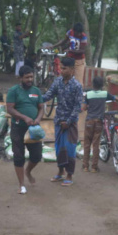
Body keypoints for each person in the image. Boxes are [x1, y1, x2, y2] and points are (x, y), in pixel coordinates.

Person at [42, 57, 83, 186]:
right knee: (59, 148)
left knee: (70, 148)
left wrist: (69, 121)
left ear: (72, 70)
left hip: (70, 123)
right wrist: (35, 98)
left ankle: (69, 174)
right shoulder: (57, 81)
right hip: (59, 120)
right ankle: (60, 172)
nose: (61, 70)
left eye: (64, 68)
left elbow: (77, 107)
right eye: (61, 67)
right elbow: (48, 95)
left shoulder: (77, 86)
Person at [6, 65, 44, 194]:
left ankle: (28, 171)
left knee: (37, 155)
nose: (30, 79)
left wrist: (38, 119)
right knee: (18, 156)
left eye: (31, 77)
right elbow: (10, 109)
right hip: (18, 128)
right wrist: (24, 117)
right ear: (20, 78)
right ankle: (21, 184)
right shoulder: (13, 91)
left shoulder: (36, 91)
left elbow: (41, 108)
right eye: (27, 77)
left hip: (34, 128)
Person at [81, 75, 116, 172]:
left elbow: (83, 108)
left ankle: (85, 166)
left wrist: (88, 106)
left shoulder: (88, 94)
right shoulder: (104, 94)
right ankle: (94, 167)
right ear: (102, 85)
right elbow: (113, 98)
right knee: (96, 144)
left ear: (93, 84)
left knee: (87, 143)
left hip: (89, 121)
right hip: (99, 121)